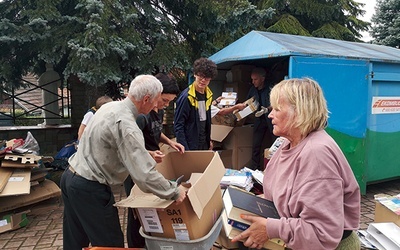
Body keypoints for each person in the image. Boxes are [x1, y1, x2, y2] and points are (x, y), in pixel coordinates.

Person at [60, 75, 186, 250]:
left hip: (71, 178)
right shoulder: (127, 125)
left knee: (75, 241)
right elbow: (145, 175)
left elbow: (107, 144)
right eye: (159, 100)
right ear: (146, 99)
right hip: (90, 187)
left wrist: (145, 153)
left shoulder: (110, 107)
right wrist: (174, 191)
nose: (159, 106)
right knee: (111, 245)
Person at [232, 78, 361, 249]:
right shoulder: (289, 143)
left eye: (277, 109)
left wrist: (270, 229)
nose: (270, 114)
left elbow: (322, 233)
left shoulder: (316, 154)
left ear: (299, 112)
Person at [124, 73, 185, 248]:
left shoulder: (158, 110)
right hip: (137, 169)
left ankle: (151, 239)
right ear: (155, 94)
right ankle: (136, 244)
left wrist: (169, 142)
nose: (166, 104)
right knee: (137, 210)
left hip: (152, 165)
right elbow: (130, 147)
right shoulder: (142, 115)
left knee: (152, 207)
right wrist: (150, 153)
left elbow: (156, 132)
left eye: (169, 102)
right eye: (164, 100)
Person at [174, 57, 218, 150]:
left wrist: (208, 140)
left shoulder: (208, 95)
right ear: (195, 74)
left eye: (206, 78)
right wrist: (184, 148)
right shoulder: (186, 97)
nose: (203, 80)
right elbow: (178, 125)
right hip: (190, 143)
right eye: (200, 76)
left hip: (203, 142)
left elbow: (206, 121)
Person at [247, 67, 275, 171]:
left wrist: (267, 109)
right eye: (252, 79)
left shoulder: (271, 88)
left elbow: (277, 102)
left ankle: (273, 168)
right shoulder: (253, 89)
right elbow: (248, 101)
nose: (253, 82)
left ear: (262, 79)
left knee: (275, 143)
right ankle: (255, 168)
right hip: (259, 118)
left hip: (271, 118)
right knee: (256, 145)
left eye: (255, 79)